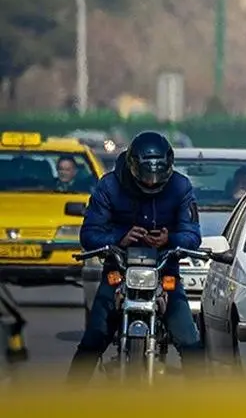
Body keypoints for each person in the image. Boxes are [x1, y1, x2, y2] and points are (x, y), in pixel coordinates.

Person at [67, 131, 203, 383]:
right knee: (94, 338)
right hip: (119, 269)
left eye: (158, 175)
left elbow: (192, 234)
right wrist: (120, 238)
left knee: (190, 341)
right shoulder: (108, 186)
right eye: (145, 175)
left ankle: (208, 404)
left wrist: (169, 240)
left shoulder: (181, 187)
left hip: (165, 272)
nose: (151, 182)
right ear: (132, 166)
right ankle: (66, 400)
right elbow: (89, 234)